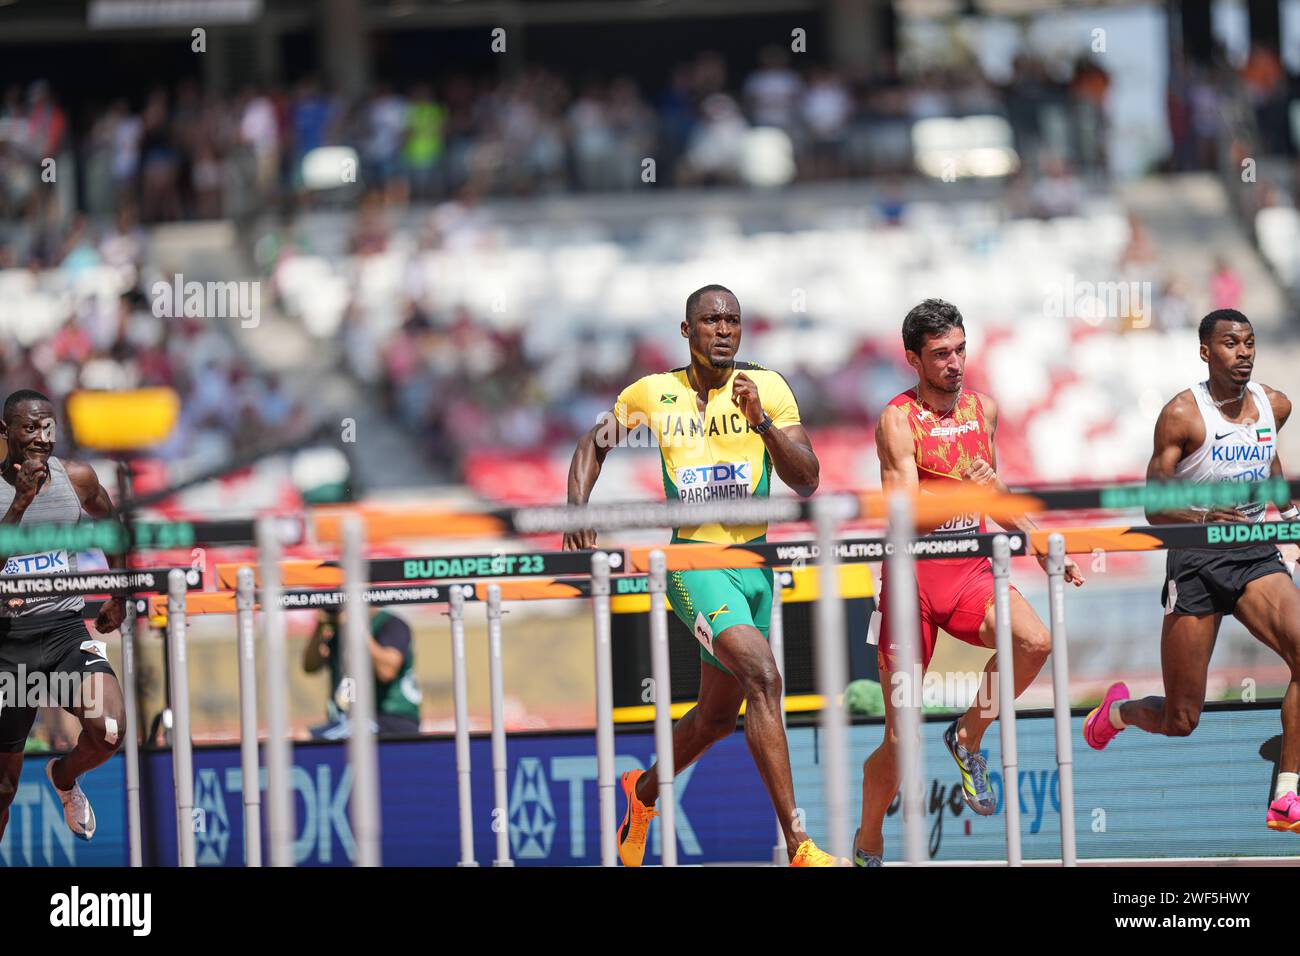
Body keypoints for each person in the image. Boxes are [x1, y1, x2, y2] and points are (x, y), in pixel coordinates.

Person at [563, 284, 840, 866]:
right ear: (686, 331)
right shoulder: (653, 394)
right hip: (693, 563)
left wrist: (761, 424)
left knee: (716, 719)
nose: (723, 330)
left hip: (754, 568)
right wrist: (577, 507)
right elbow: (595, 442)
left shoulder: (767, 389)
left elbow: (809, 478)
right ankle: (799, 845)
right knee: (764, 677)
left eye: (733, 321)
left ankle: (641, 795)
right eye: (711, 321)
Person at [856, 299, 1084, 866]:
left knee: (1035, 643)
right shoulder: (896, 420)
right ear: (913, 359)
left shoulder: (984, 409)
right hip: (912, 584)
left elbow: (993, 492)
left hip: (971, 575)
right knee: (900, 740)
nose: (955, 363)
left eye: (960, 349)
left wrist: (1040, 542)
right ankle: (867, 839)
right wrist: (967, 489)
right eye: (940, 355)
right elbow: (906, 510)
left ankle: (967, 735)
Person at [1084, 309, 1300, 835]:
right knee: (1181, 720)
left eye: (1249, 342)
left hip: (1253, 553)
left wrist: (1290, 517)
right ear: (1206, 352)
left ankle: (1287, 794)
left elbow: (1265, 455)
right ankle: (1116, 713)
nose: (1243, 352)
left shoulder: (1275, 404)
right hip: (1197, 562)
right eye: (1230, 343)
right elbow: (1154, 506)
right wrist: (1203, 515)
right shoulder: (1183, 414)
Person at [0, 389, 127, 842]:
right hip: (6, 646)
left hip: (62, 634)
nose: (41, 437)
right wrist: (19, 502)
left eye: (47, 426)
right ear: (6, 432)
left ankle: (65, 778)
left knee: (110, 729)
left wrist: (119, 590)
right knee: (3, 789)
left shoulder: (77, 477)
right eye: (30, 427)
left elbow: (111, 524)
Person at [302, 606, 422, 738]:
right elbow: (310, 666)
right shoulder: (335, 628)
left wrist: (354, 627)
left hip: (389, 718)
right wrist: (321, 625)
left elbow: (387, 671)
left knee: (306, 737)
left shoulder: (390, 623)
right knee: (305, 738)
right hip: (347, 719)